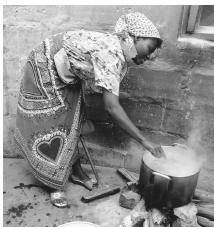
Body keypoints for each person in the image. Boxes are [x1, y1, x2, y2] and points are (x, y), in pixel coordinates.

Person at [14, 12, 165, 208]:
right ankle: (52, 183)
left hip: (66, 70)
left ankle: (75, 170)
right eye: (150, 47)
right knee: (54, 124)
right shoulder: (111, 55)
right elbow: (112, 107)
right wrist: (145, 141)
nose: (151, 56)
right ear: (135, 38)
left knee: (75, 118)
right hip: (44, 64)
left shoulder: (119, 51)